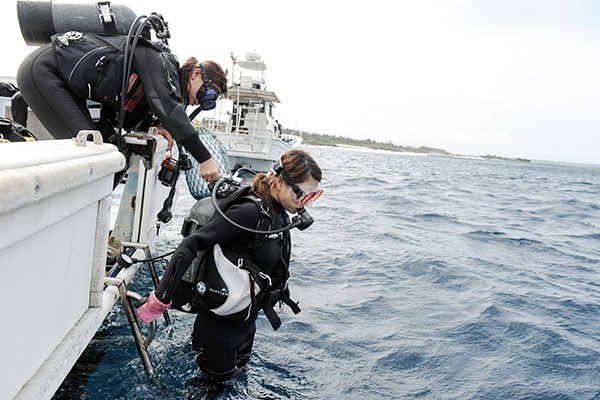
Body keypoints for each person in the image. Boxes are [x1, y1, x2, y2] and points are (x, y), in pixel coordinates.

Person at [137, 149, 324, 380]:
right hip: (219, 332)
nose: (305, 202)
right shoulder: (250, 213)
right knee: (211, 389)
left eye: (313, 195)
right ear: (279, 181)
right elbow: (191, 244)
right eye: (303, 193)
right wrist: (161, 298)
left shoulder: (280, 215)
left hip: (245, 325)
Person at [16, 32, 227, 182]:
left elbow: (145, 111)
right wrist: (205, 159)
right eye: (207, 94)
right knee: (91, 153)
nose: (203, 102)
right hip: (44, 71)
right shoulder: (158, 60)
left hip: (66, 87)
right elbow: (167, 107)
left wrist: (154, 124)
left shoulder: (162, 86)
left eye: (210, 102)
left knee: (114, 151)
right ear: (196, 74)